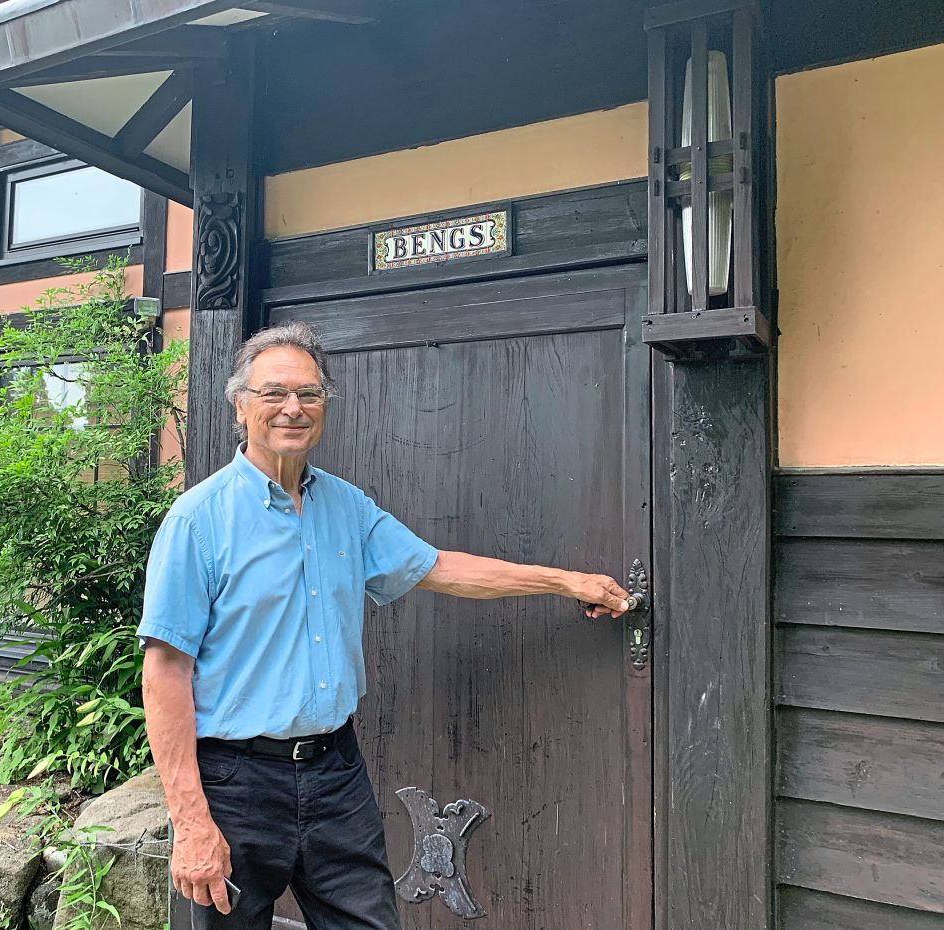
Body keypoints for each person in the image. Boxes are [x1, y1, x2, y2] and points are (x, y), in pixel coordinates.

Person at [139, 322, 630, 930]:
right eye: (274, 393)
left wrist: (564, 581)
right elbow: (164, 670)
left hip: (334, 773)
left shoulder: (346, 506)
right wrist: (190, 822)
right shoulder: (197, 522)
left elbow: (441, 567)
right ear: (240, 404)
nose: (293, 408)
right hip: (236, 782)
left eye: (310, 394)